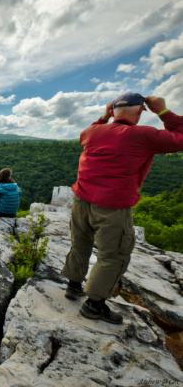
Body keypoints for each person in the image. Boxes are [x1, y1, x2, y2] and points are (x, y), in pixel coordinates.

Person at [61, 93, 183, 324]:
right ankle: (94, 305)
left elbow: (92, 128)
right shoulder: (144, 135)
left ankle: (73, 286)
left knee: (81, 243)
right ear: (140, 112)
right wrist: (164, 112)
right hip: (112, 205)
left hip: (81, 199)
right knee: (113, 255)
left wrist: (105, 116)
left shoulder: (91, 133)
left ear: (113, 111)